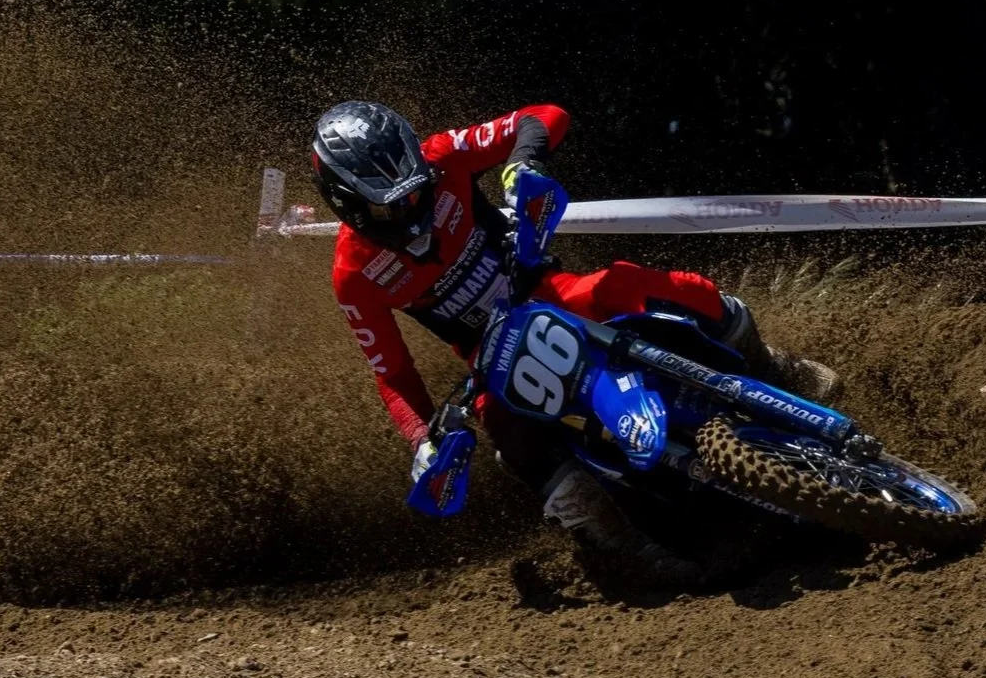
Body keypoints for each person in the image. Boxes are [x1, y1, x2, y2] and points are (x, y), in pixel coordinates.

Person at [311, 100, 838, 582]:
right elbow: (393, 374)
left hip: (549, 292)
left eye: (418, 191)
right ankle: (613, 545)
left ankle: (770, 368)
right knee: (504, 427)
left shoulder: (443, 155)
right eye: (390, 208)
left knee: (636, 286)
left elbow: (544, 115)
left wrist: (524, 166)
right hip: (488, 356)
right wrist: (422, 441)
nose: (413, 209)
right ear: (348, 206)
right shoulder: (354, 276)